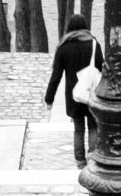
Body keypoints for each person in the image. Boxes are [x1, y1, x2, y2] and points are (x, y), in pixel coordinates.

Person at [44, 14, 103, 169]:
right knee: (93, 126)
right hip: (92, 93)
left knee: (78, 128)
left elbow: (56, 76)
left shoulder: (64, 47)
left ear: (69, 27)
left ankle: (80, 162)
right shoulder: (94, 44)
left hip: (74, 95)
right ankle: (92, 158)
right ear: (85, 26)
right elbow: (103, 69)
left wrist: (49, 99)